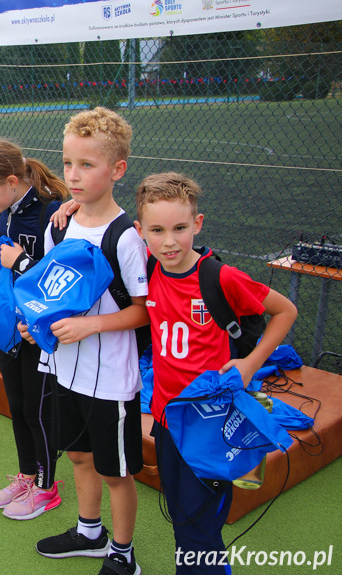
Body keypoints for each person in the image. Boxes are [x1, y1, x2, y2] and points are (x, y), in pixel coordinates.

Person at [134, 172, 297, 574]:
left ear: (198, 224)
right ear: (141, 231)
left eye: (179, 228)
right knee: (181, 514)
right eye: (156, 230)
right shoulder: (146, 270)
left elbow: (285, 311)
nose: (169, 241)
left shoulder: (219, 277)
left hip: (210, 425)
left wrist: (250, 362)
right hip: (168, 419)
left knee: (199, 530)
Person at [17, 107, 148, 575]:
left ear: (117, 170)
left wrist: (90, 326)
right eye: (69, 163)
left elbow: (142, 310)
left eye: (87, 165)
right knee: (77, 454)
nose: (73, 175)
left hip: (110, 378)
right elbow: (52, 290)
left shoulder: (126, 238)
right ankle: (90, 532)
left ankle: (124, 554)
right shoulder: (61, 222)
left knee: (116, 472)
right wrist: (36, 323)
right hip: (65, 368)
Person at [0, 136, 68, 519]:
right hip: (10, 329)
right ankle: (28, 475)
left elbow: (63, 278)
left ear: (11, 180)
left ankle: (46, 486)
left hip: (39, 335)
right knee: (19, 406)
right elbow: (2, 261)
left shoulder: (52, 213)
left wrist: (20, 261)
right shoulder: (3, 210)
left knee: (39, 412)